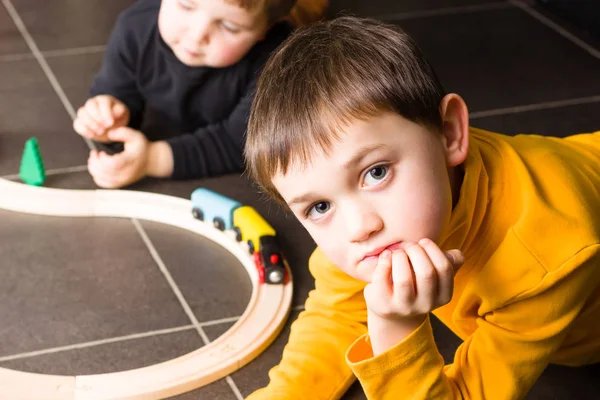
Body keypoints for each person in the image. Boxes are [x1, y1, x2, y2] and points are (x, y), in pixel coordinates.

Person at [244, 16, 600, 399]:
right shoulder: (369, 221)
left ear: (449, 133)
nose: (359, 226)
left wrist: (396, 329)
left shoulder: (547, 256)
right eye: (318, 206)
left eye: (376, 172)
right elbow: (337, 313)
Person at [72, 0, 328, 188]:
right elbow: (116, 87)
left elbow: (239, 143)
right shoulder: (136, 27)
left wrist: (152, 159)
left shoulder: (277, 63)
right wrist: (108, 110)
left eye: (229, 26)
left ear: (264, 31)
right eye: (185, 6)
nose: (196, 35)